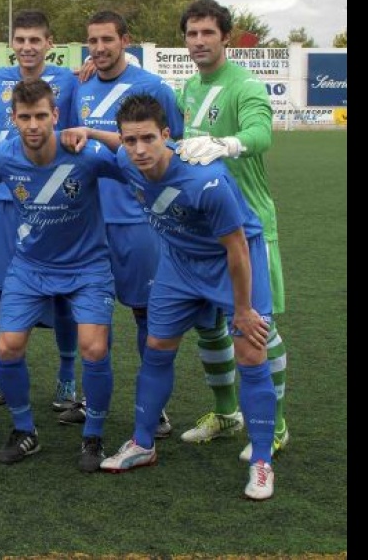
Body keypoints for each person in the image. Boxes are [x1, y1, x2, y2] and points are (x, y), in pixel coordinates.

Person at [69, 94, 279, 500]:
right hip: (179, 264)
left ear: (168, 135)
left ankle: (262, 462)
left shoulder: (205, 180)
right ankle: (143, 444)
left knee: (251, 354)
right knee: (157, 346)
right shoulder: (127, 160)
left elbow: (236, 248)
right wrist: (88, 131)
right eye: (131, 140)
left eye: (149, 138)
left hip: (230, 262)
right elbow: (113, 146)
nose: (139, 149)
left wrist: (242, 310)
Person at [0, 79, 120, 473]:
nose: (34, 124)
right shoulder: (4, 156)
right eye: (25, 117)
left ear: (56, 116)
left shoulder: (84, 154)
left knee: (93, 348)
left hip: (88, 266)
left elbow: (134, 156)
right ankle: (25, 430)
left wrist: (92, 132)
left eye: (42, 115)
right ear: (14, 119)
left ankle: (93, 434)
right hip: (31, 267)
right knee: (7, 347)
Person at [174, 0, 290, 461]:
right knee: (209, 327)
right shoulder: (189, 88)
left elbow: (263, 135)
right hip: (204, 229)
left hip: (250, 226)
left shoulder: (244, 86)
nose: (199, 41)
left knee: (257, 327)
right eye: (191, 33)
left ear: (225, 36)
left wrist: (227, 143)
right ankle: (226, 414)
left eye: (207, 33)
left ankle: (276, 427)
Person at [72, 10, 184, 434]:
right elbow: (68, 135)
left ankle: (153, 407)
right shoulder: (79, 85)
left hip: (138, 219)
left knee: (146, 313)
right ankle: (91, 398)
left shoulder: (152, 87)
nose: (99, 49)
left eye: (107, 40)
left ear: (125, 41)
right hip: (86, 218)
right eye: (92, 42)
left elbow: (172, 144)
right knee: (92, 314)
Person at [0, 11, 81, 410]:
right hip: (4, 198)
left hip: (51, 198)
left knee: (63, 292)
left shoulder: (70, 81)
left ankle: (67, 375)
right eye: (20, 40)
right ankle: (6, 369)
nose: (26, 47)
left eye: (34, 40)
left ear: (49, 44)